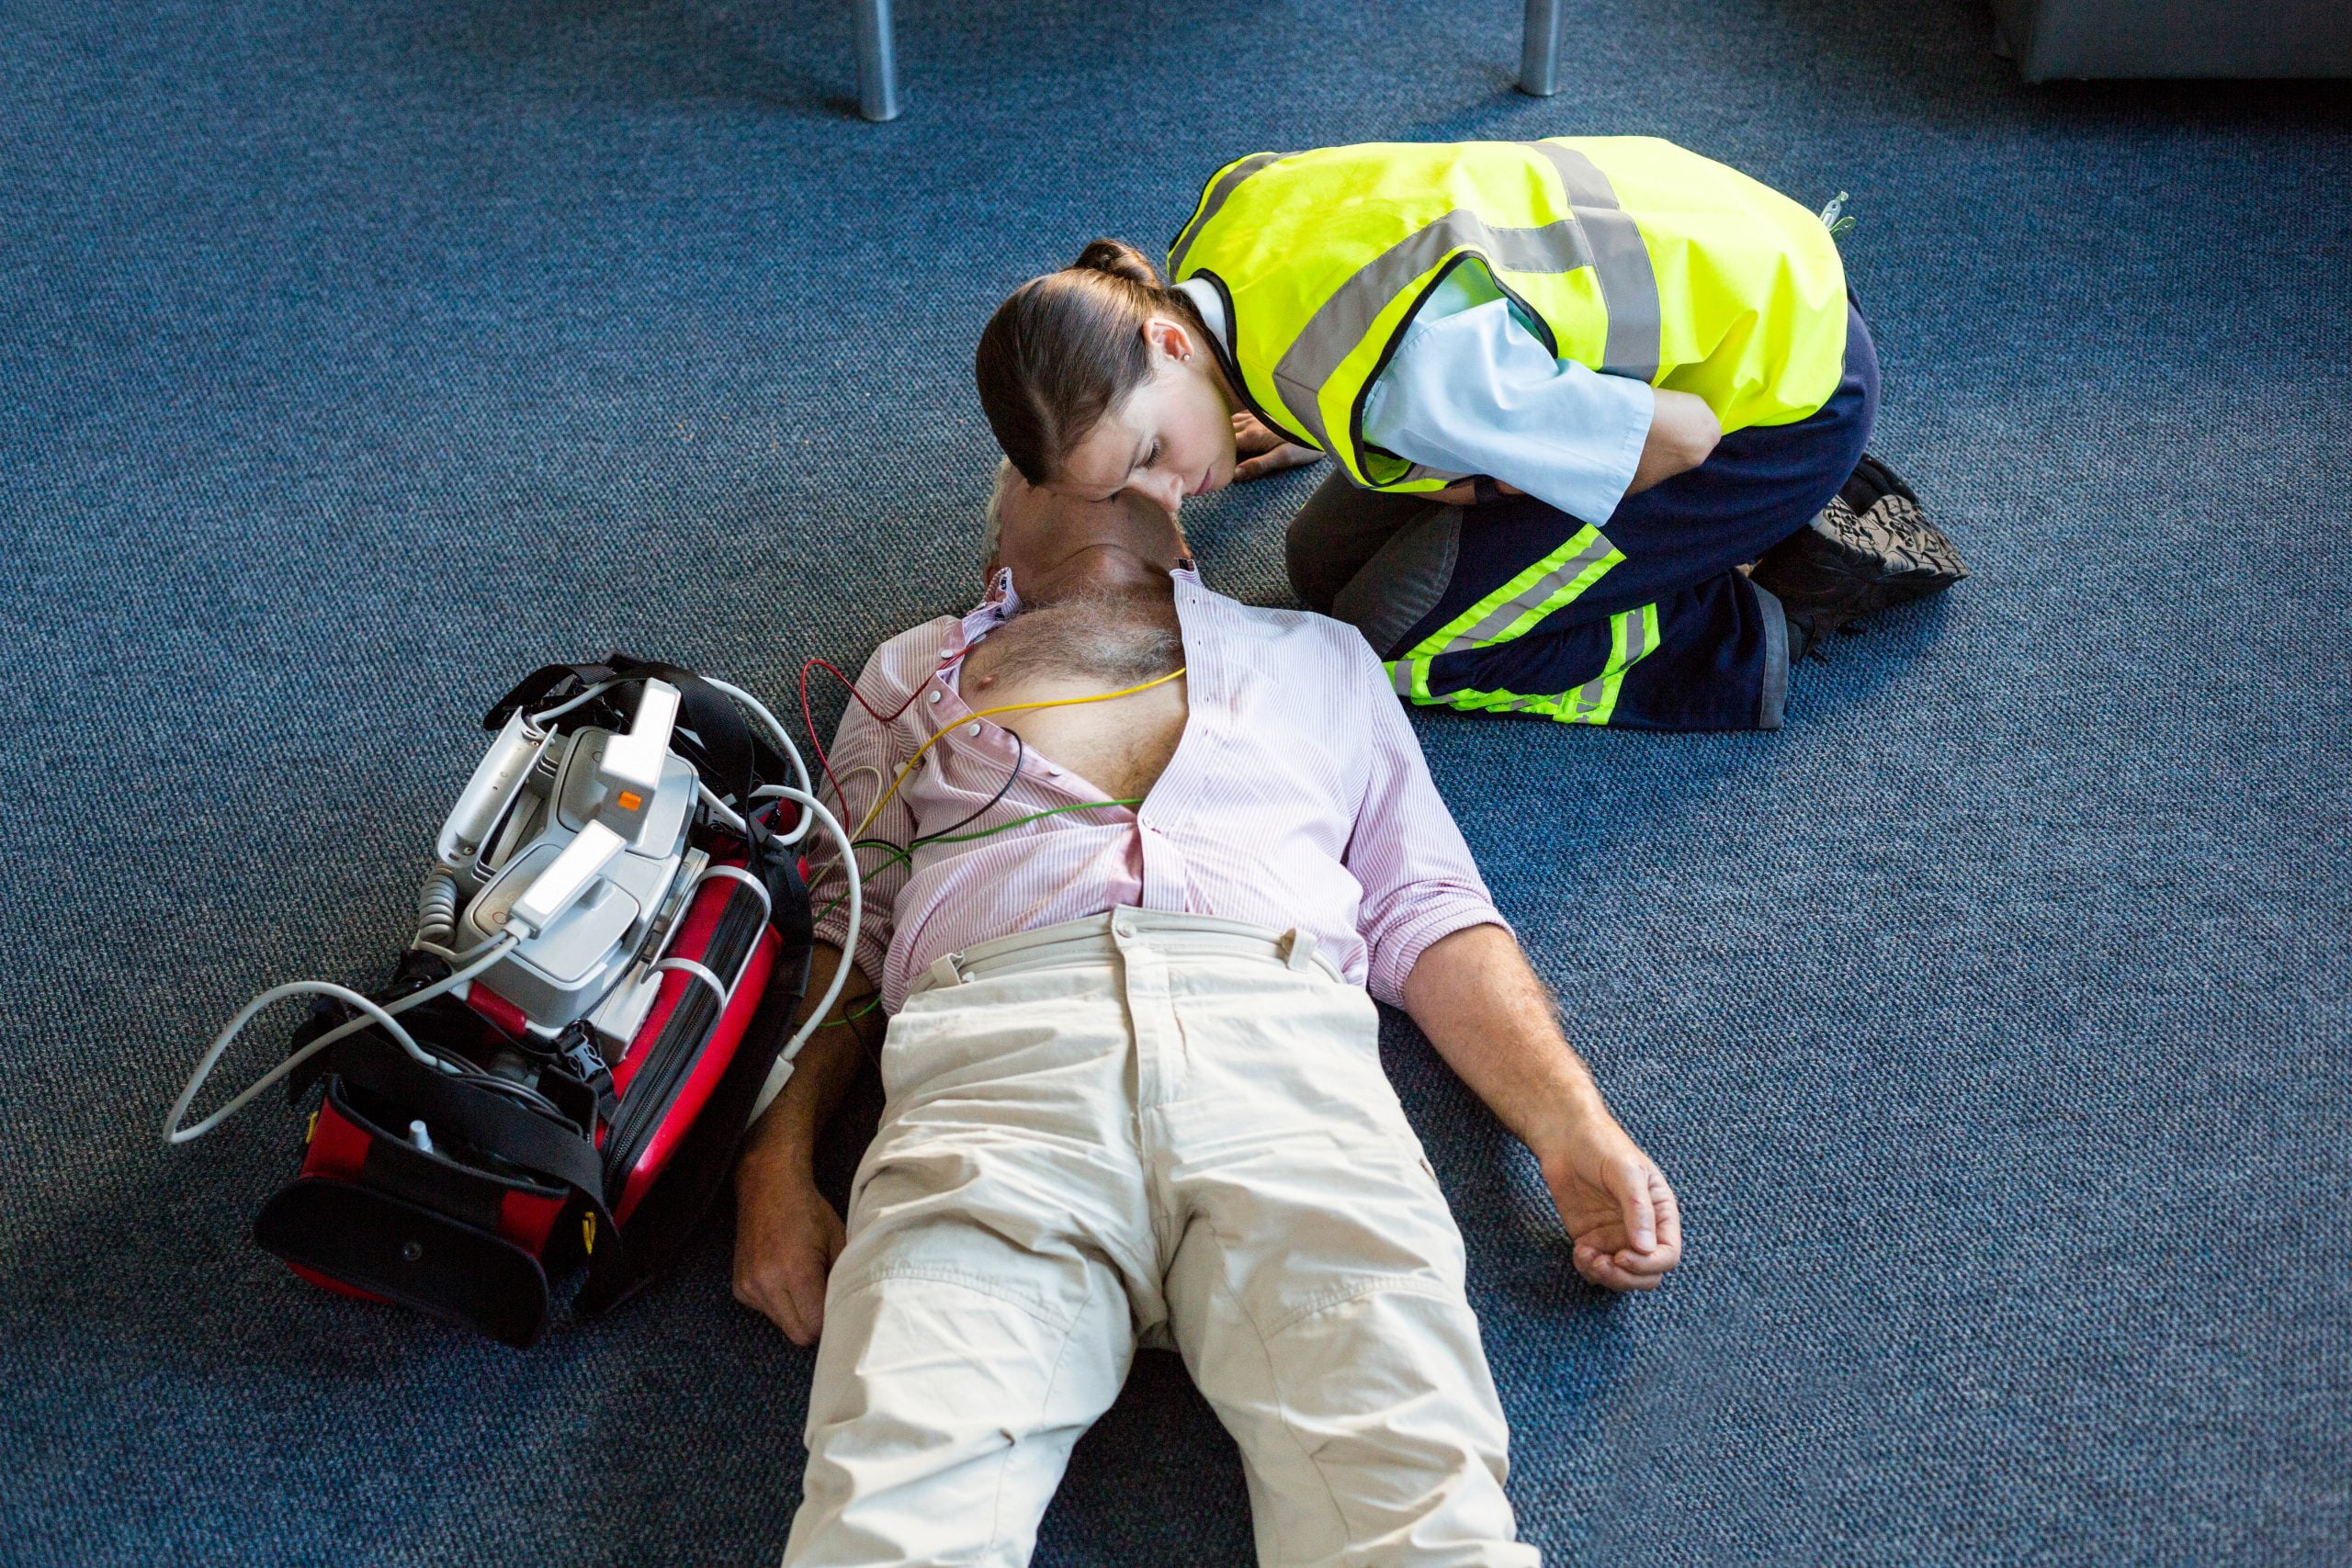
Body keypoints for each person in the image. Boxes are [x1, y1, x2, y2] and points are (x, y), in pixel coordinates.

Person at [732, 471, 1683, 1566]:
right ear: (1002, 519)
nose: (1099, 469)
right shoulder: (914, 670)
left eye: (1135, 449)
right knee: (887, 1523)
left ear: (1185, 504)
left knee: (1423, 1522)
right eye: (1057, 458)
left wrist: (1571, 1125)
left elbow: (1429, 908)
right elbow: (847, 923)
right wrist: (773, 1170)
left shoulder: (1315, 657)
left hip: (1285, 1073)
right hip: (997, 1080)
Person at [973, 136, 1967, 733]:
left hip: (1770, 408)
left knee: (1386, 650)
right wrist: (1294, 412)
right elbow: (1392, 274)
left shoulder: (1415, 386)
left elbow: (1683, 435)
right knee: (1318, 560)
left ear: (1161, 341)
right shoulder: (1217, 233)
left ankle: (1757, 611)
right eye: (1128, 493)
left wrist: (1483, 482)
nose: (1170, 495)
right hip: (1738, 252)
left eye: (1149, 458)